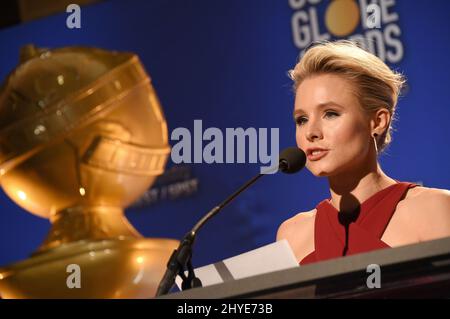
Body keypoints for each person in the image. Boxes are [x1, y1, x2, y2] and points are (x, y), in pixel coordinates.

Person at [276, 40, 450, 265]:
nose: (311, 132)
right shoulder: (292, 235)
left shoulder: (435, 210)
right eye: (302, 119)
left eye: (330, 113)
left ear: (377, 121)